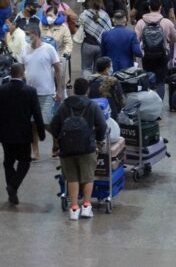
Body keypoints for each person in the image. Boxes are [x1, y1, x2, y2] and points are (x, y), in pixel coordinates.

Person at [49, 77, 107, 221]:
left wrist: (59, 140)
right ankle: (86, 207)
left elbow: (53, 126)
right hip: (87, 148)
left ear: (74, 89)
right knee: (88, 176)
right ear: (87, 90)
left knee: (72, 178)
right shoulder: (92, 106)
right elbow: (102, 125)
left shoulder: (64, 106)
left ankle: (74, 208)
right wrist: (99, 139)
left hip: (67, 148)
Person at [0, 63, 46, 204]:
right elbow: (37, 114)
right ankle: (13, 186)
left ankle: (12, 190)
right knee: (24, 162)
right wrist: (41, 132)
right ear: (23, 73)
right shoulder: (30, 91)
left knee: (8, 162)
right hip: (23, 133)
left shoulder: (2, 90)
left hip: (5, 133)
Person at [135, 0, 176, 101]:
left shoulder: (141, 22)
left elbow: (136, 40)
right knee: (160, 81)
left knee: (147, 78)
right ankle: (159, 105)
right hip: (162, 55)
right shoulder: (167, 22)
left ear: (149, 7)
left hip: (147, 56)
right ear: (160, 7)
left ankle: (148, 103)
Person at [79, 0, 113, 76]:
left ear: (90, 3)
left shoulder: (85, 14)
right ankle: (96, 86)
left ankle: (87, 86)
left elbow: (79, 26)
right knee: (98, 69)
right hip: (100, 46)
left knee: (86, 68)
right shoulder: (105, 15)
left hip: (87, 45)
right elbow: (109, 30)